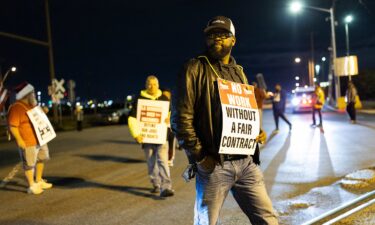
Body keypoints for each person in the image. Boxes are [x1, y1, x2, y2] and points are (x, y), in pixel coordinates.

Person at [171, 16, 278, 225]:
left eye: (222, 34)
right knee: (206, 222)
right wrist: (201, 157)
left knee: (268, 219)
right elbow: (180, 119)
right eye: (211, 35)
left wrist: (255, 132)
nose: (216, 39)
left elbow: (242, 112)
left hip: (247, 163)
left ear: (233, 40)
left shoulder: (239, 73)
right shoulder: (194, 68)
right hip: (214, 164)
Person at [128, 76, 174, 197]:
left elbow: (171, 114)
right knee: (151, 162)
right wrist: (136, 134)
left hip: (161, 137)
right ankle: (156, 184)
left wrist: (170, 119)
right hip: (146, 138)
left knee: (163, 161)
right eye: (149, 84)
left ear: (158, 85)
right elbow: (132, 118)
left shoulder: (164, 99)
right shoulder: (139, 100)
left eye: (154, 84)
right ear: (145, 85)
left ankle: (166, 187)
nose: (152, 86)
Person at [7, 82, 53, 194]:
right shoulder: (16, 108)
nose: (34, 95)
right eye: (32, 93)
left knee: (42, 158)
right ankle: (31, 186)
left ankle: (38, 180)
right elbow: (13, 126)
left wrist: (44, 111)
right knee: (29, 164)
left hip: (40, 139)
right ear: (26, 94)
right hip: (28, 141)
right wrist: (19, 139)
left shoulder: (32, 105)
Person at [161, 88, 177, 167]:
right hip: (162, 128)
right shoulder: (160, 104)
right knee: (164, 144)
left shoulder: (174, 104)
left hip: (171, 127)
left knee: (171, 144)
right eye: (164, 95)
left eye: (167, 95)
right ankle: (164, 159)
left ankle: (170, 159)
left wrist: (170, 119)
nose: (166, 96)